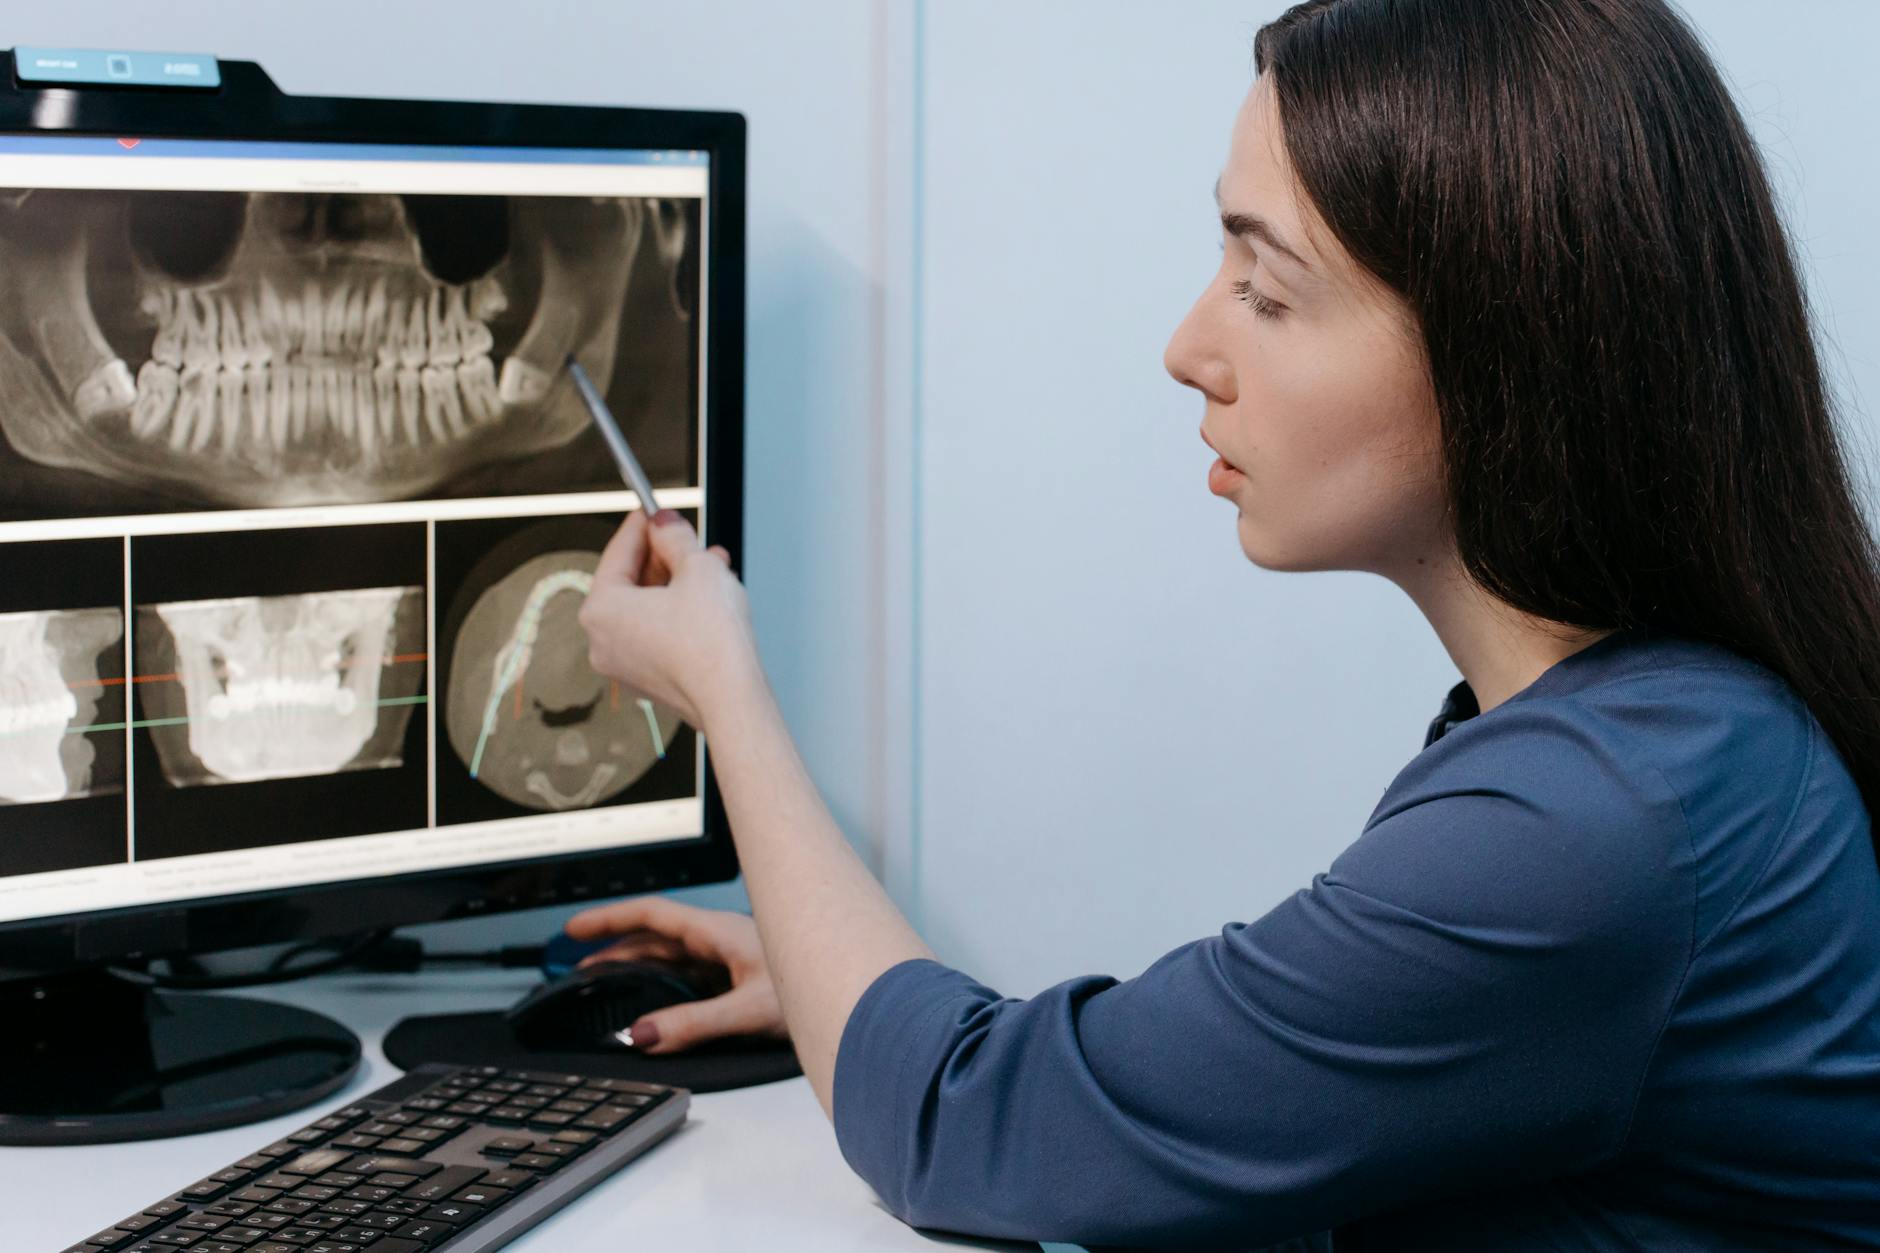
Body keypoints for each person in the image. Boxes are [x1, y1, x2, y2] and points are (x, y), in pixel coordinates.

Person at [569, 0, 1880, 1248]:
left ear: (1511, 348)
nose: (1190, 346)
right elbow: (1271, 1125)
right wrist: (828, 978)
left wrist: (724, 691)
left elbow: (966, 1129)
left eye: (1266, 287)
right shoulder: (1656, 746)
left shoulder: (1599, 828)